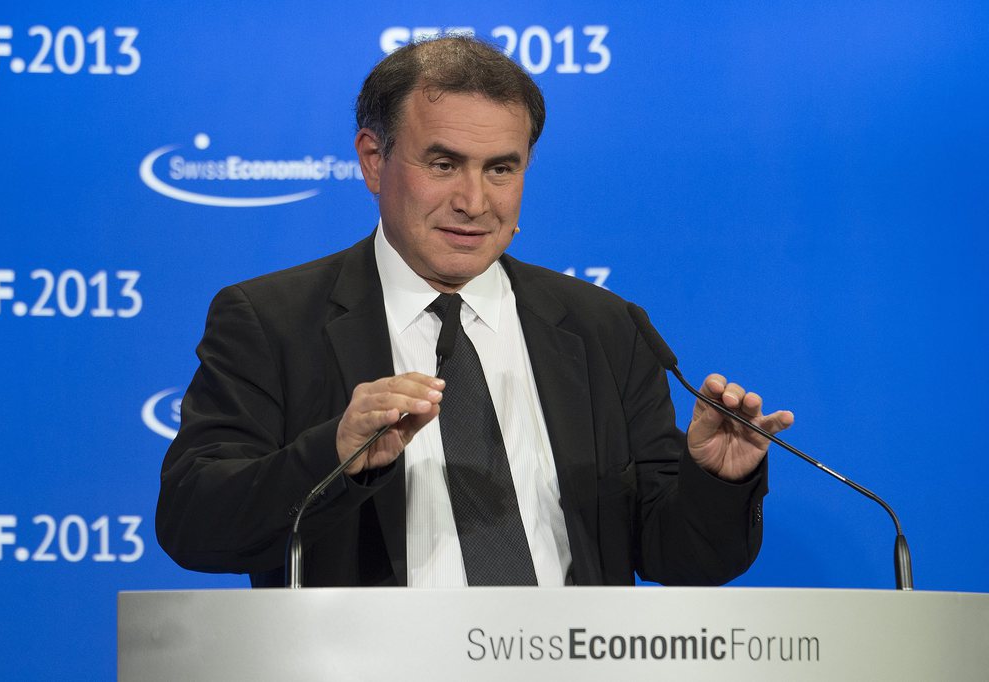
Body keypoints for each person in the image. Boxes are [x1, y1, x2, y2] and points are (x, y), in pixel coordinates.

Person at [156, 36, 793, 588]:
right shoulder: (271, 321)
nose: (474, 201)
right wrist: (335, 452)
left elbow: (682, 556)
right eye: (443, 164)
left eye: (501, 169)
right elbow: (193, 524)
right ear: (373, 160)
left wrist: (717, 483)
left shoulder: (603, 327)